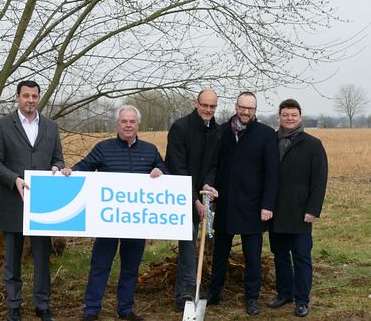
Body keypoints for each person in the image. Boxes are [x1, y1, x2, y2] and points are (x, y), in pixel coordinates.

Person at [74, 105, 167, 321]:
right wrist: (70, 172)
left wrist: (160, 171)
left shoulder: (150, 150)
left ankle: (125, 308)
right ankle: (91, 309)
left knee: (131, 266)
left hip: (136, 221)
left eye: (132, 121)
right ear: (118, 124)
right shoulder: (103, 148)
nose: (128, 125)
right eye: (124, 121)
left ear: (138, 124)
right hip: (107, 220)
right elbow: (83, 167)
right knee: (100, 264)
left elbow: (166, 172)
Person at [0, 80, 70, 321]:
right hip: (14, 201)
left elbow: (58, 159)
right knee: (12, 260)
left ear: (39, 97)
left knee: (42, 259)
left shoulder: (51, 127)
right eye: (26, 96)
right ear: (17, 97)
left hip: (44, 204)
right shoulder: (2, 126)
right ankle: (14, 306)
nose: (30, 100)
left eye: (34, 96)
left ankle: (42, 305)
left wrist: (58, 167)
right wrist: (14, 179)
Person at [206, 91, 279, 316]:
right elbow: (214, 165)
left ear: (255, 111)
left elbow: (272, 173)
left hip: (253, 207)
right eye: (243, 107)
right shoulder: (221, 132)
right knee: (220, 254)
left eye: (251, 108)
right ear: (236, 107)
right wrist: (210, 190)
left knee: (253, 258)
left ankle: (252, 297)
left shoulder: (266, 134)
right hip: (225, 204)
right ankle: (214, 292)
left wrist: (268, 205)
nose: (246, 112)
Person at [267, 99, 328, 318]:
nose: (289, 118)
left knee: (302, 258)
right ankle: (284, 294)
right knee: (280, 255)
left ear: (300, 117)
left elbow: (319, 181)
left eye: (293, 115)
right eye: (285, 115)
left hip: (301, 214)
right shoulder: (270, 141)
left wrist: (313, 210)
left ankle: (302, 300)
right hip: (275, 212)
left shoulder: (313, 144)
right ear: (279, 117)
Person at [165, 89, 220, 311]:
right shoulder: (181, 128)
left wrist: (206, 186)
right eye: (204, 105)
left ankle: (189, 290)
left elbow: (213, 164)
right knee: (187, 241)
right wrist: (192, 199)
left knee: (194, 240)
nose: (208, 110)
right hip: (180, 194)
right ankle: (185, 293)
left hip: (200, 195)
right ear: (196, 103)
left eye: (212, 106)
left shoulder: (216, 131)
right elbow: (177, 167)